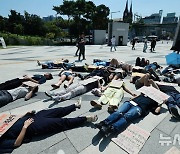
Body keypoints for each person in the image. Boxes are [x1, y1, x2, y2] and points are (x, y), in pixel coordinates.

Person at [0, 102, 98, 153]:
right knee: (61, 122)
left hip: (32, 117)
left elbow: (12, 119)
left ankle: (74, 106)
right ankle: (85, 119)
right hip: (33, 126)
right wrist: (25, 127)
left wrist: (25, 114)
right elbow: (16, 143)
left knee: (56, 111)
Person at [95, 92, 165, 137]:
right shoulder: (145, 93)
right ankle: (104, 123)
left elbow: (156, 111)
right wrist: (134, 98)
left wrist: (161, 104)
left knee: (126, 116)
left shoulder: (156, 101)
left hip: (140, 108)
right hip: (130, 103)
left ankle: (111, 129)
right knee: (118, 112)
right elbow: (134, 97)